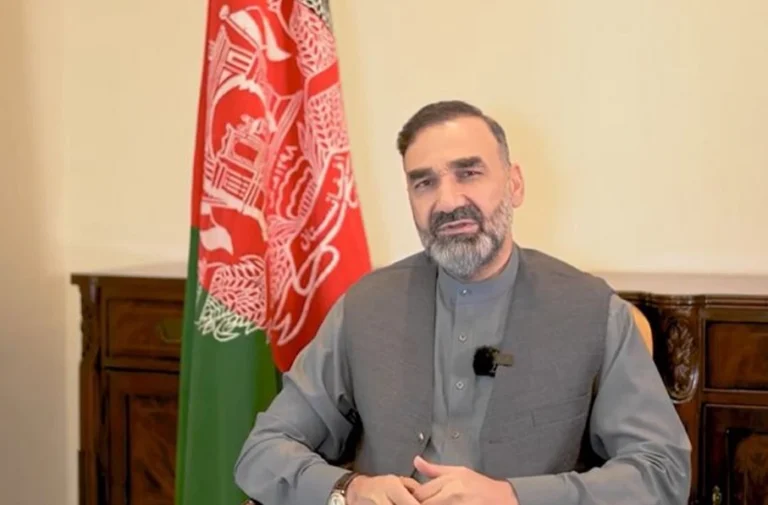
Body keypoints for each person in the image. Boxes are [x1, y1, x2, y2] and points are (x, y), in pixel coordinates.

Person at [233, 100, 692, 505]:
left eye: (468, 173)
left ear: (514, 184)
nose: (448, 201)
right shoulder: (365, 307)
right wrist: (348, 491)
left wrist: (515, 497)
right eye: (424, 183)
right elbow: (264, 450)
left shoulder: (592, 311)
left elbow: (663, 471)